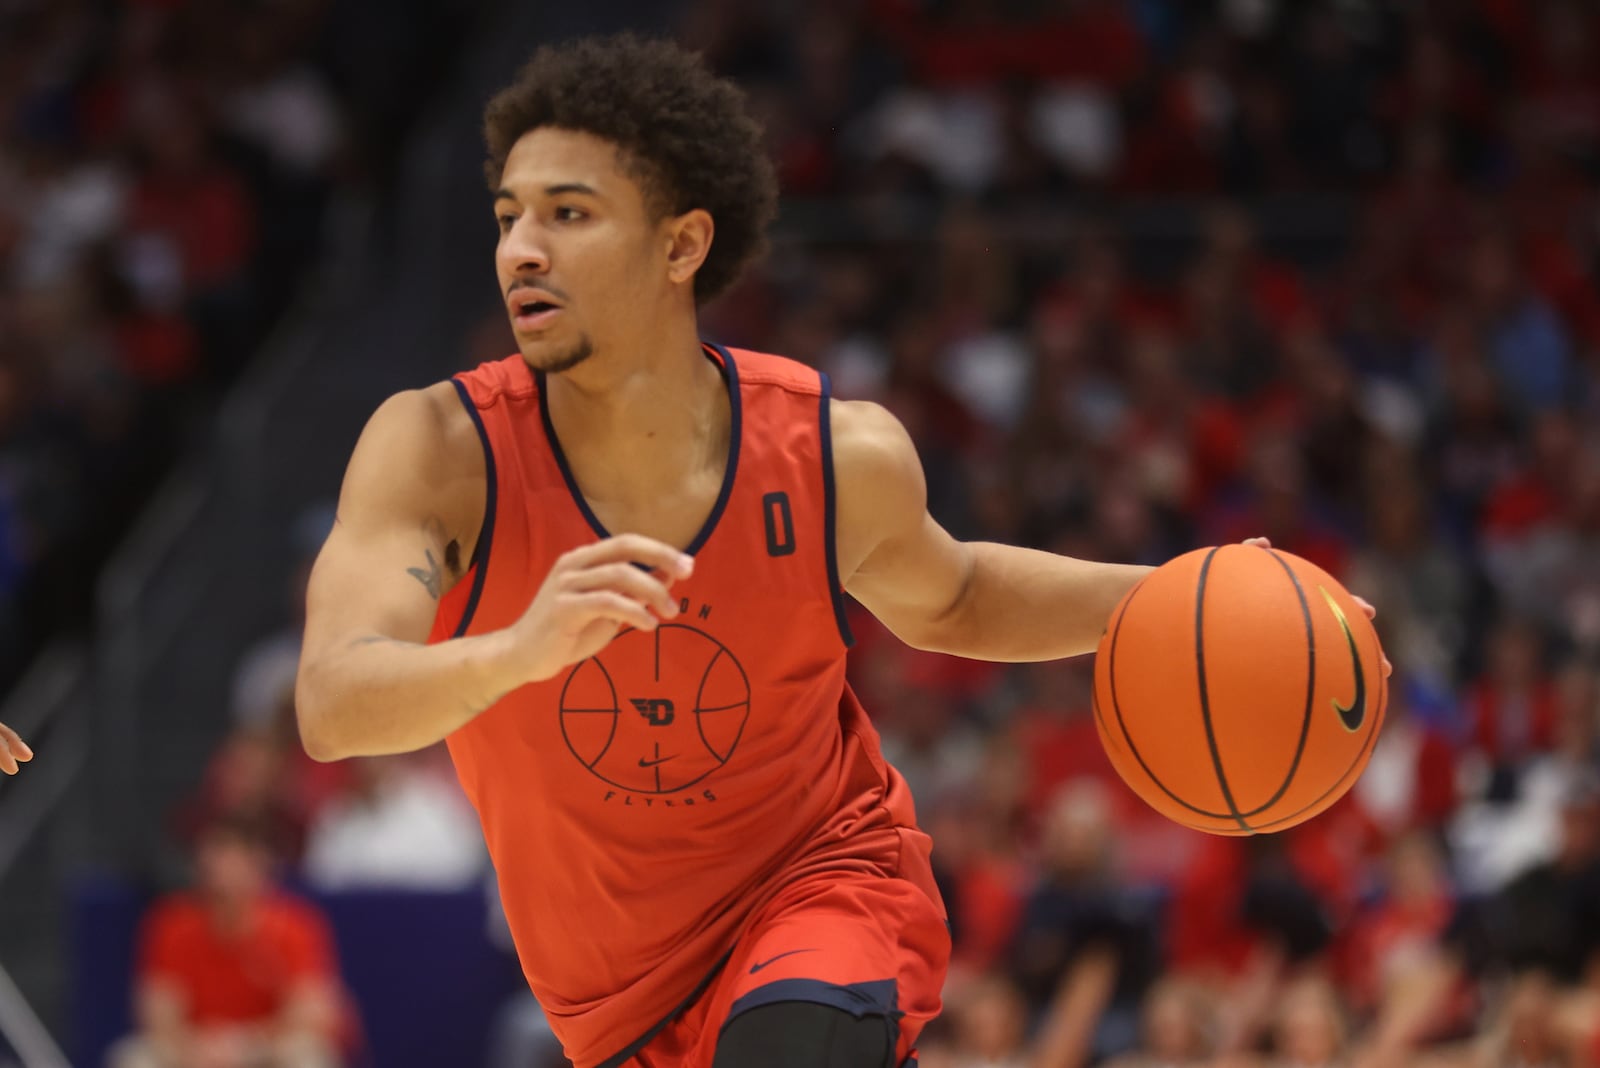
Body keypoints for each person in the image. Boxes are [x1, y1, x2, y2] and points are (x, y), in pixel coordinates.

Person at [293, 34, 1383, 1068]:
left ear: (681, 243)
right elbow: (335, 704)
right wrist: (516, 649)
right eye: (508, 216)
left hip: (821, 887)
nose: (520, 249)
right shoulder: (439, 452)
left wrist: (1190, 598)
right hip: (611, 998)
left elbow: (951, 596)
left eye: (568, 214)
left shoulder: (829, 450)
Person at [108, 814, 347, 1068]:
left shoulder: (297, 926)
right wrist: (197, 1047)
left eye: (227, 854)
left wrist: (243, 1045)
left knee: (309, 1058)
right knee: (133, 1058)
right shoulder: (172, 925)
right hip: (192, 1052)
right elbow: (158, 1013)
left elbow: (310, 1014)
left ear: (257, 863)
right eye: (209, 854)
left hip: (263, 1052)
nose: (215, 867)